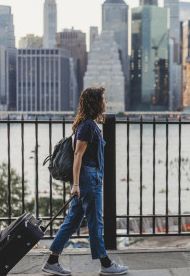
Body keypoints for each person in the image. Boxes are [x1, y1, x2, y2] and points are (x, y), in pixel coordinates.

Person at [42, 87, 128, 275]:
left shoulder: (85, 124)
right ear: (96, 103)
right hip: (88, 179)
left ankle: (52, 261)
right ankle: (105, 264)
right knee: (95, 221)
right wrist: (75, 185)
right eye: (103, 99)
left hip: (87, 178)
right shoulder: (88, 126)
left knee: (72, 221)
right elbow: (78, 155)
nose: (105, 102)